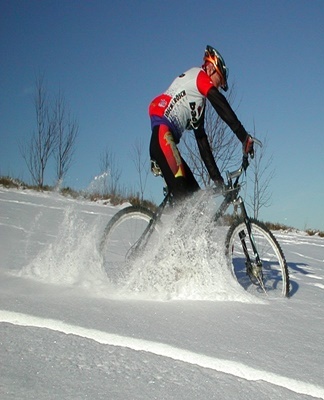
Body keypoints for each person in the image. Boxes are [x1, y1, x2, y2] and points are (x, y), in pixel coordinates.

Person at [149, 45, 254, 199]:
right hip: (162, 134)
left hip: (166, 140)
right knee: (182, 198)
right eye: (220, 79)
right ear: (211, 68)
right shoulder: (199, 76)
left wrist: (217, 180)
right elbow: (220, 105)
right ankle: (170, 224)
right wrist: (243, 137)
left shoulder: (198, 102)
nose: (218, 85)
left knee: (195, 198)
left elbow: (202, 142)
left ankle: (178, 221)